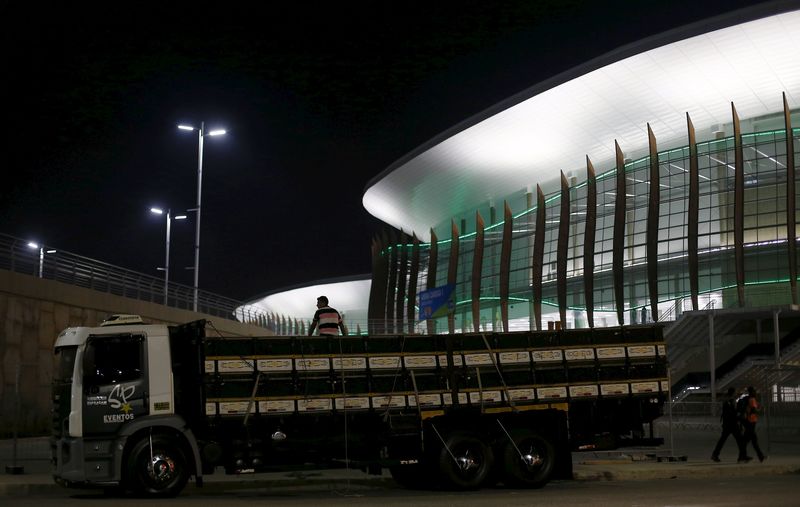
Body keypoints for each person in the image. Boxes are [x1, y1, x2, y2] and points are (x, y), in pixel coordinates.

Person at [710, 386, 743, 462]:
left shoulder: (726, 401)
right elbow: (733, 413)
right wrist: (739, 417)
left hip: (727, 424)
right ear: (733, 393)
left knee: (722, 440)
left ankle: (715, 454)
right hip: (733, 424)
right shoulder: (731, 401)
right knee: (740, 440)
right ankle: (742, 456)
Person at [738, 386, 766, 463]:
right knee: (751, 440)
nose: (756, 393)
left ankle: (760, 456)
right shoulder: (752, 399)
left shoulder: (748, 399)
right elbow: (753, 411)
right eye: (754, 391)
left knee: (749, 440)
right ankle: (759, 456)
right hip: (751, 422)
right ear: (752, 392)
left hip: (748, 422)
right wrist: (760, 410)